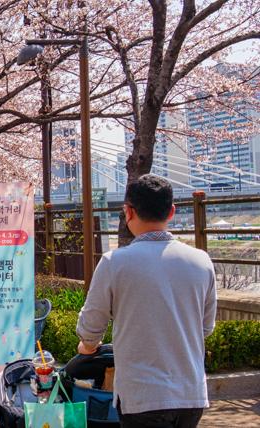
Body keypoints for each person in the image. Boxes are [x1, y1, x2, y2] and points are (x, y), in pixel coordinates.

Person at [76, 175, 217, 428]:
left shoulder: (114, 262)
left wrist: (87, 347)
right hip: (190, 394)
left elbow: (91, 328)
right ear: (171, 211)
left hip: (141, 397)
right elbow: (205, 328)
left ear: (128, 212)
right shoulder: (201, 261)